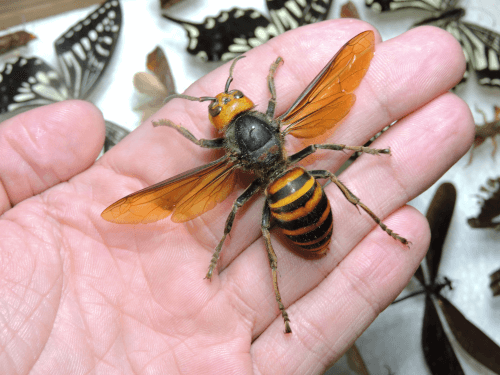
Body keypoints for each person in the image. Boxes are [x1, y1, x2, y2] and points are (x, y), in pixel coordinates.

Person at [0, 21, 473, 374]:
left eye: (228, 102)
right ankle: (379, 219)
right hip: (298, 186)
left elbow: (211, 181)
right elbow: (291, 109)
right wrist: (361, 145)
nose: (226, 104)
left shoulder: (225, 158)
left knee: (261, 223)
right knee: (330, 162)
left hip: (284, 201)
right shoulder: (277, 121)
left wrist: (173, 124)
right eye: (224, 106)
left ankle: (291, 289)